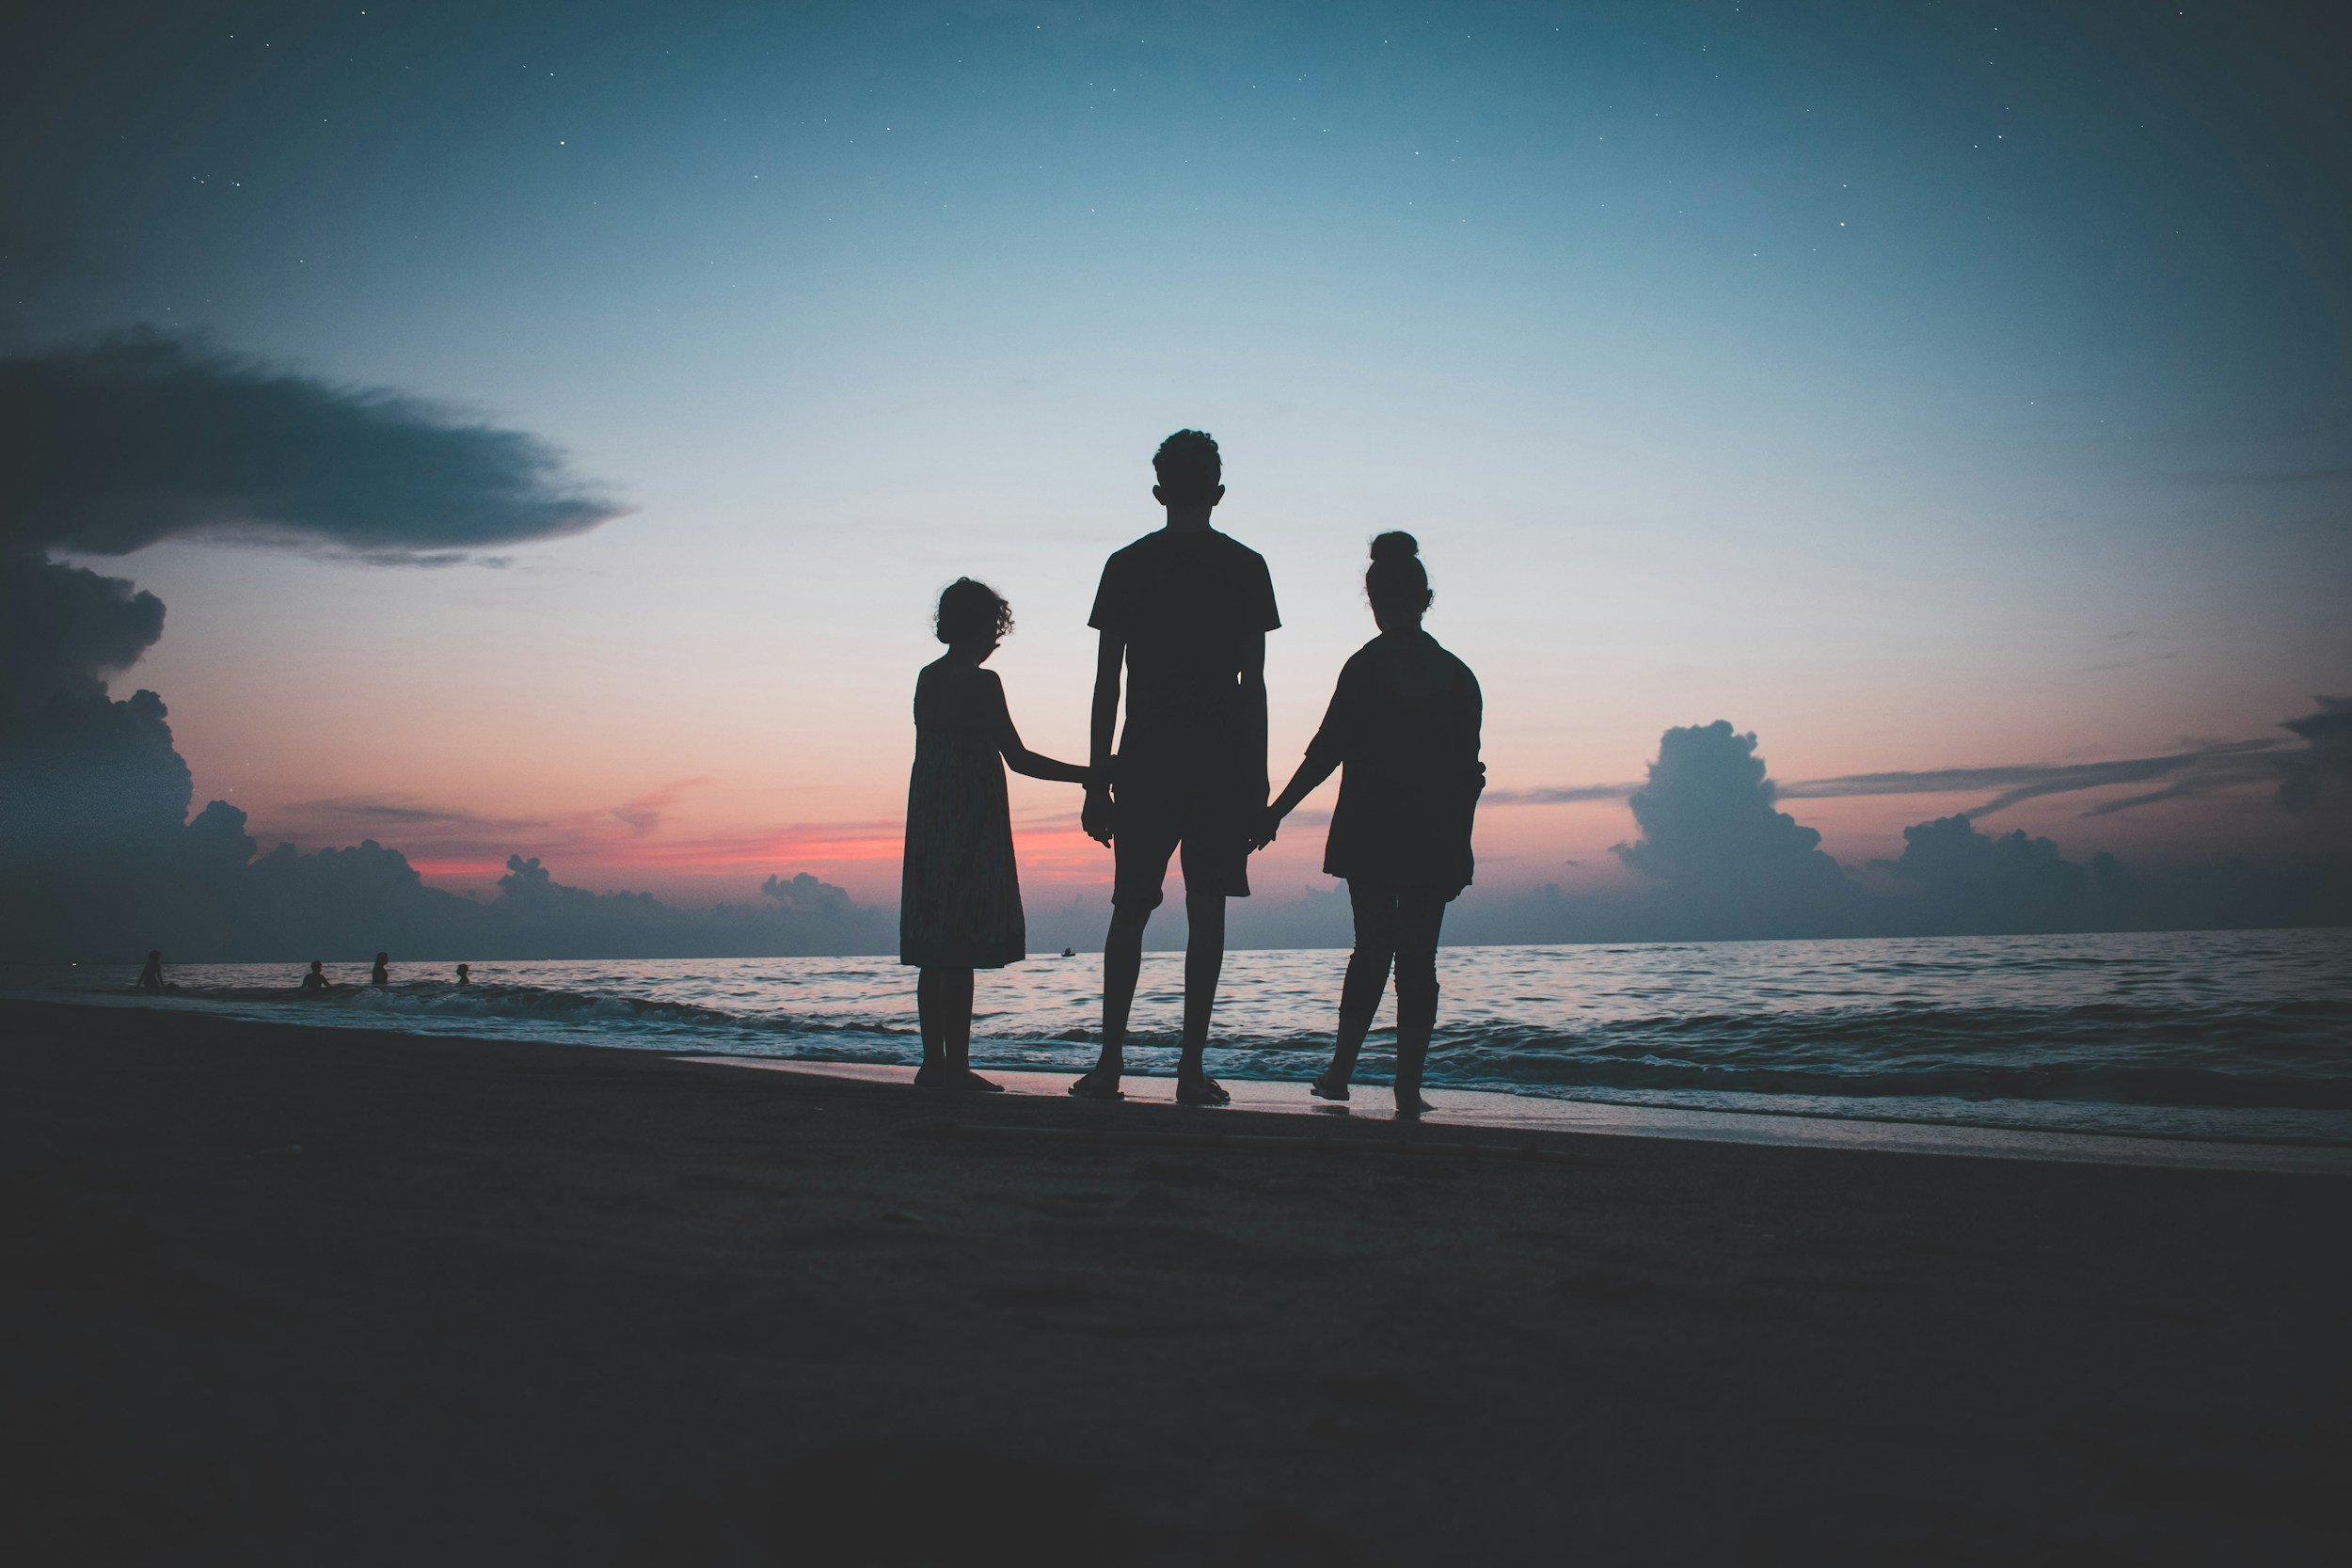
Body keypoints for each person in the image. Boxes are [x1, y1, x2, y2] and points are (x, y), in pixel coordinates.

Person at [1071, 430, 1280, 1106]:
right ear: (1218, 492)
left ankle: (1109, 1064)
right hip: (1221, 763)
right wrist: (1260, 780)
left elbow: (1108, 683)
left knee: (1129, 909)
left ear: (1159, 491)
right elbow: (1256, 683)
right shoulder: (1247, 566)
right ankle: (1190, 1070)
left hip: (1147, 760)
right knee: (1206, 912)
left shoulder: (1126, 564)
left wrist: (1098, 778)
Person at [1257, 531, 1484, 1117]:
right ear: (1425, 598)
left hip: (1374, 829)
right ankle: (1407, 1086)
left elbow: (1324, 752)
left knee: (1372, 949)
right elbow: (1468, 776)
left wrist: (1275, 813)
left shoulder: (1366, 666)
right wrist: (1462, 845)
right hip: (1434, 834)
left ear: (1373, 599)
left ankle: (1340, 1071)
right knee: (1419, 959)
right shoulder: (1459, 676)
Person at [901, 578, 1090, 1091]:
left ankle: (932, 1063)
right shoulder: (983, 683)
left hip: (928, 819)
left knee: (934, 948)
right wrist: (1092, 773)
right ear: (985, 627)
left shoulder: (927, 677)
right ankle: (957, 1068)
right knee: (959, 946)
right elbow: (1020, 758)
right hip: (969, 818)